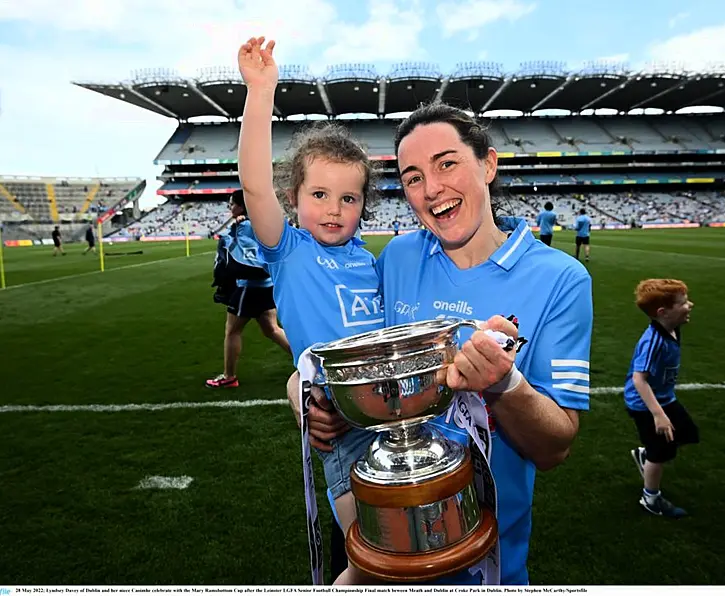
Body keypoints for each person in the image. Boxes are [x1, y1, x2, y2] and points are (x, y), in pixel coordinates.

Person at [290, 103, 593, 586]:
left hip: (483, 560)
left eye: (446, 163)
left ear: (488, 165)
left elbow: (555, 448)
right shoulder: (397, 258)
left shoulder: (561, 279)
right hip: (378, 530)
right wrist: (303, 392)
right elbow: (340, 350)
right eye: (412, 177)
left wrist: (504, 383)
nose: (431, 189)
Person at [237, 36, 384, 585]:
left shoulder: (370, 261)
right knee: (369, 559)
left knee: (404, 553)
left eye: (348, 198)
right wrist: (261, 92)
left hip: (391, 416)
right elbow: (253, 184)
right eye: (319, 195)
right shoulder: (290, 251)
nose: (333, 209)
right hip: (340, 427)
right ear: (294, 197)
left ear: (364, 205)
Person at [625, 279, 698, 518]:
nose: (690, 305)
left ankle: (646, 455)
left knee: (687, 433)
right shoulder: (653, 341)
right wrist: (658, 415)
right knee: (661, 452)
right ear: (663, 313)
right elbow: (639, 379)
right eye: (683, 302)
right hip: (645, 404)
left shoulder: (673, 327)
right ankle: (651, 498)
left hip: (665, 397)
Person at [206, 190, 292, 388]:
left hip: (248, 287)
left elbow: (235, 253)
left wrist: (236, 228)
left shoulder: (242, 227)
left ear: (241, 206)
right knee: (271, 329)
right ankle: (309, 364)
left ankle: (229, 377)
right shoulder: (261, 222)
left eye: (232, 204)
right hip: (267, 284)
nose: (230, 208)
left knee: (232, 331)